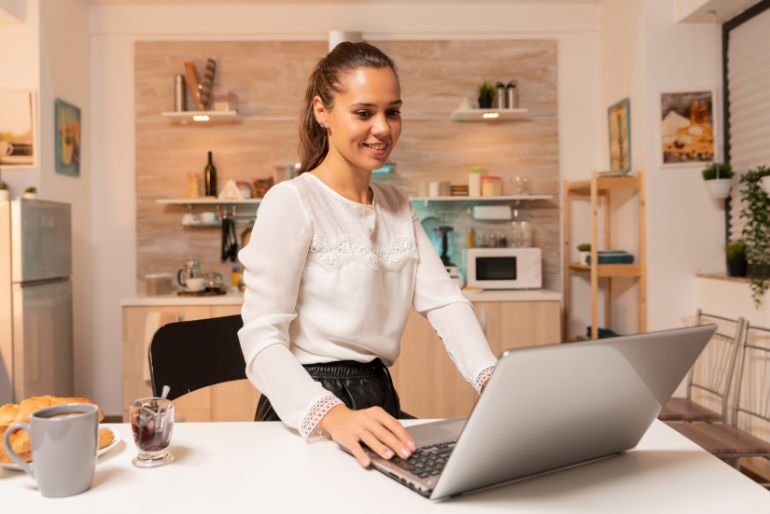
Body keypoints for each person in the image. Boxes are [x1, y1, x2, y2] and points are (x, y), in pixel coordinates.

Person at [238, 42, 497, 468]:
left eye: (392, 111)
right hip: (311, 405)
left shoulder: (396, 204)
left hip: (378, 396)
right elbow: (260, 339)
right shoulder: (292, 200)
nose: (382, 128)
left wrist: (490, 378)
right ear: (322, 111)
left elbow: (444, 301)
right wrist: (333, 416)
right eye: (364, 113)